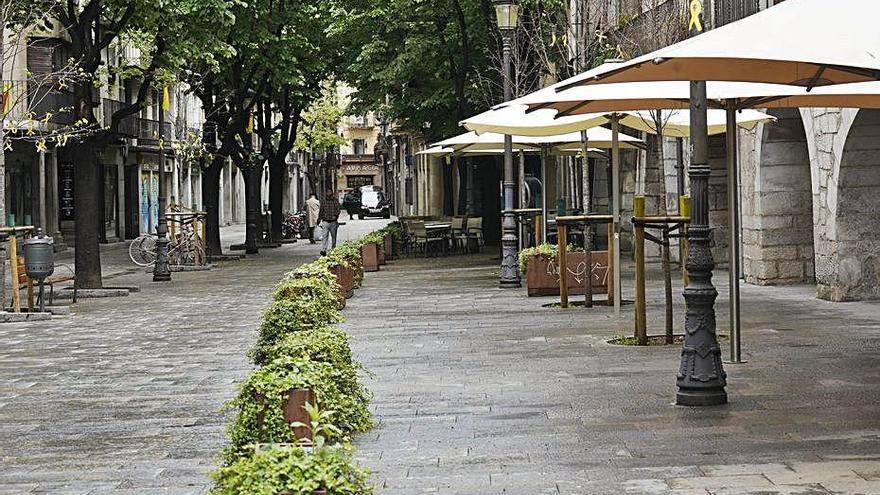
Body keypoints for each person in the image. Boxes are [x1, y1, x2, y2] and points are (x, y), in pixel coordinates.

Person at [318, 189, 341, 256]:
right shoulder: (323, 201)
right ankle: (324, 250)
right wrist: (319, 219)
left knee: (333, 236)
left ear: (332, 193)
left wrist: (335, 216)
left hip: (333, 222)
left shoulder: (335, 201)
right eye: (327, 192)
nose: (328, 193)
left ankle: (333, 249)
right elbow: (321, 211)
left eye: (330, 192)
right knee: (324, 236)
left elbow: (338, 209)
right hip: (325, 221)